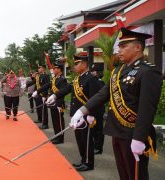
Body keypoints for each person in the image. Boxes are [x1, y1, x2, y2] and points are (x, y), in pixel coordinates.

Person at [67, 28, 162, 180]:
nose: (119, 50)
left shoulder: (148, 72)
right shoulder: (118, 71)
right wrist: (83, 110)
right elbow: (103, 94)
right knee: (123, 173)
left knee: (136, 175)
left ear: (137, 47)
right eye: (119, 46)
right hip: (116, 131)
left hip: (133, 133)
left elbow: (147, 109)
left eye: (124, 46)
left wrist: (139, 137)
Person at [47, 55, 102, 171]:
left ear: (84, 64)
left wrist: (91, 114)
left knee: (87, 141)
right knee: (80, 139)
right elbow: (67, 89)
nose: (74, 67)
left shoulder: (91, 79)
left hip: (86, 116)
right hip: (77, 116)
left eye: (77, 64)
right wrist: (55, 95)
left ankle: (88, 163)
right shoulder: (77, 79)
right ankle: (83, 160)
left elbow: (95, 98)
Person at [33, 61, 68, 144]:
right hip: (53, 103)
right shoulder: (55, 78)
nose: (53, 69)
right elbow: (47, 85)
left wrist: (57, 102)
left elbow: (63, 93)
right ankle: (56, 136)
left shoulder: (62, 80)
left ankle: (60, 138)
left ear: (59, 69)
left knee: (59, 122)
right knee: (54, 121)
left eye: (55, 68)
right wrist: (38, 91)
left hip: (58, 104)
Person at [27, 64, 50, 129]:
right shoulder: (38, 76)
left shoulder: (46, 76)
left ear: (43, 69)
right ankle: (39, 119)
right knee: (38, 108)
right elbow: (34, 82)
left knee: (44, 110)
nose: (38, 69)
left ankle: (45, 124)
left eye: (40, 68)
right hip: (37, 95)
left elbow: (47, 86)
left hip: (43, 95)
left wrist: (45, 95)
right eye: (38, 68)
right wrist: (26, 85)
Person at [90, 64, 106, 154]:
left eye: (93, 71)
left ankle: (98, 147)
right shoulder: (94, 81)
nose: (91, 72)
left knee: (98, 129)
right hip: (93, 109)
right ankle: (95, 145)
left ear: (97, 72)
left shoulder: (99, 82)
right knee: (94, 129)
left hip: (98, 109)